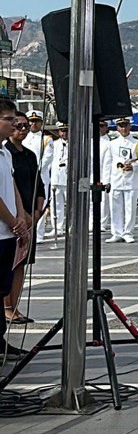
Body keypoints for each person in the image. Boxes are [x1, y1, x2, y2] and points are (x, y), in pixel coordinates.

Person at [5, 113, 44, 326]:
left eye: (25, 126)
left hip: (30, 217)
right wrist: (21, 216)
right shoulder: (6, 153)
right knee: (9, 264)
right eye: (18, 125)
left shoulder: (29, 155)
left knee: (22, 263)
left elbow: (39, 183)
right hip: (13, 218)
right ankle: (6, 307)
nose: (22, 129)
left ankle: (15, 306)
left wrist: (38, 210)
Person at [0, 98, 32, 357]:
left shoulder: (4, 153)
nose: (14, 125)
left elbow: (12, 187)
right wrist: (12, 221)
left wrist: (21, 216)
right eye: (9, 120)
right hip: (2, 229)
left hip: (8, 232)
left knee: (3, 285)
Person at [106, 116, 138, 244]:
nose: (123, 128)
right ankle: (116, 232)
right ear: (117, 127)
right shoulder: (112, 143)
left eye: (125, 125)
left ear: (129, 126)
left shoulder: (137, 142)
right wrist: (107, 180)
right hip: (116, 178)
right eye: (120, 126)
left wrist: (133, 166)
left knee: (130, 208)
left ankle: (128, 232)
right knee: (115, 207)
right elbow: (108, 163)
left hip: (131, 179)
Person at [23, 110, 52, 243]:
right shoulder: (24, 137)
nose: (33, 124)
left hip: (40, 177)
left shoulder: (46, 139)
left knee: (39, 206)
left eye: (36, 121)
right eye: (31, 121)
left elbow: (47, 158)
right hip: (25, 178)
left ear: (41, 123)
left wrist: (35, 170)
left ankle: (38, 233)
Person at [44, 123, 69, 237]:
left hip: (68, 179)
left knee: (71, 206)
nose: (64, 133)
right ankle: (57, 228)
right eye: (62, 131)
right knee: (56, 205)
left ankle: (71, 227)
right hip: (56, 178)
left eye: (66, 130)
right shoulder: (54, 144)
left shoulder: (76, 144)